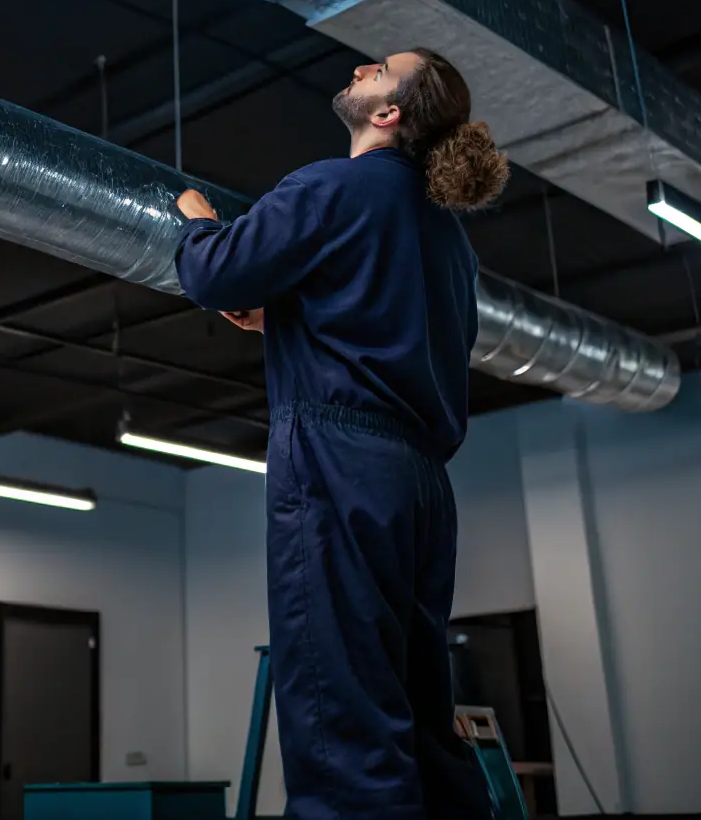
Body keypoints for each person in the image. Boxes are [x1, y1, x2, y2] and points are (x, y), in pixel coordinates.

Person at [174, 49, 510, 820]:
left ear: (389, 114)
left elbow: (218, 273)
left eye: (380, 69)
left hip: (340, 460)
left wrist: (200, 224)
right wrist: (285, 313)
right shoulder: (449, 240)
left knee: (341, 715)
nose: (362, 67)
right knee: (422, 718)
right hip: (422, 484)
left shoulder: (333, 185)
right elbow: (383, 322)